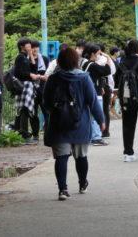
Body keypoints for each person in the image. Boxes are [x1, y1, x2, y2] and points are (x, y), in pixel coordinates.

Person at [42, 45, 104, 200]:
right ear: (76, 61)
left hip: (59, 123)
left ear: (59, 61)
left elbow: (46, 102)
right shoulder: (84, 78)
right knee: (81, 156)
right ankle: (82, 183)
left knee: (61, 157)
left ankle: (63, 189)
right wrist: (101, 120)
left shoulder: (53, 79)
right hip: (80, 122)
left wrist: (55, 113)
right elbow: (92, 101)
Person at [14, 37, 44, 144]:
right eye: (28, 45)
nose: (30, 47)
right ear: (22, 46)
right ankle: (24, 135)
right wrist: (31, 75)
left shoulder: (25, 57)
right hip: (24, 85)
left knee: (26, 109)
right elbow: (20, 73)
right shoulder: (20, 57)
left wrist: (31, 55)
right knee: (24, 109)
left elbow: (34, 67)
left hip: (28, 85)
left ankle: (24, 134)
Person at [81, 43, 112, 146]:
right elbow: (107, 71)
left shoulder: (86, 64)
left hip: (90, 92)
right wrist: (108, 58)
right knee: (96, 115)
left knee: (90, 116)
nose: (100, 55)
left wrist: (101, 87)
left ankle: (91, 136)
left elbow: (95, 77)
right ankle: (96, 137)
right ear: (93, 54)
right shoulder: (92, 65)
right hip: (94, 93)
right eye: (99, 53)